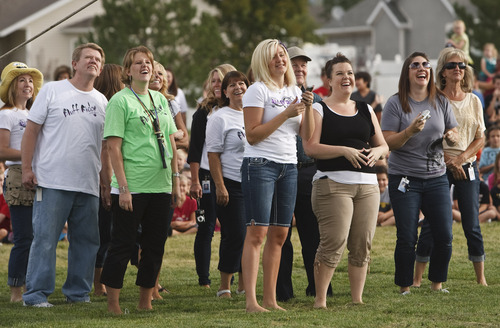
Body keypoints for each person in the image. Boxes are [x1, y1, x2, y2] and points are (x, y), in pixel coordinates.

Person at [21, 43, 109, 307]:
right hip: (51, 181)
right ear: (75, 63)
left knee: (86, 242)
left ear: (101, 68)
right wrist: (27, 168)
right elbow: (31, 131)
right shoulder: (52, 90)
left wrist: (105, 184)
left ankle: (78, 294)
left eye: (97, 59)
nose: (93, 62)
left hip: (88, 183)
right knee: (45, 240)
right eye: (88, 58)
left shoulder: (102, 101)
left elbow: (105, 147)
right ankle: (35, 295)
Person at [99, 46, 180, 314]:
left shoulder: (160, 99)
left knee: (155, 246)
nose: (145, 66)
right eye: (138, 63)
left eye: (148, 62)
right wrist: (122, 188)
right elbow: (113, 147)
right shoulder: (120, 101)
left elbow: (170, 139)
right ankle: (113, 304)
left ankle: (145, 300)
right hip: (131, 186)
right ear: (127, 71)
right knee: (122, 245)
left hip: (160, 185)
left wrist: (176, 180)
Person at [303, 53, 388, 308]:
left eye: (349, 73)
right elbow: (310, 147)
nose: (346, 77)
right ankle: (320, 300)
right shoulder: (320, 108)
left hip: (368, 186)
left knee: (362, 244)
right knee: (334, 242)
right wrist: (343, 150)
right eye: (339, 73)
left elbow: (383, 145)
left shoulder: (366, 109)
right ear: (329, 80)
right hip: (332, 183)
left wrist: (377, 152)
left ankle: (357, 299)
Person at [240, 39, 314, 312]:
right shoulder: (256, 91)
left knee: (280, 234)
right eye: (274, 56)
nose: (280, 60)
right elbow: (253, 134)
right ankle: (251, 301)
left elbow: (306, 137)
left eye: (282, 55)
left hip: (289, 166)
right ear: (263, 61)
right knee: (257, 233)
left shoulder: (295, 90)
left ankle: (270, 299)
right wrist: (286, 113)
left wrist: (307, 107)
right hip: (260, 164)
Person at [381, 51, 458, 295]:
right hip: (404, 178)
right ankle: (405, 286)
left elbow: (453, 130)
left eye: (425, 64)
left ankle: (437, 283)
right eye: (415, 65)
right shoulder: (396, 103)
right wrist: (409, 132)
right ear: (407, 73)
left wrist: (452, 136)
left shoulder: (441, 101)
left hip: (436, 177)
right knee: (406, 235)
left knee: (444, 233)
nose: (421, 68)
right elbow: (388, 142)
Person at [413, 47, 487, 288]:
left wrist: (462, 158)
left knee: (472, 224)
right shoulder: (433, 99)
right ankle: (417, 279)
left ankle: (481, 278)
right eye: (452, 65)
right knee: (433, 223)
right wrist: (448, 160)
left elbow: (480, 137)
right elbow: (425, 136)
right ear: (442, 72)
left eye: (462, 65)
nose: (458, 69)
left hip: (467, 165)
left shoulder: (474, 100)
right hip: (437, 166)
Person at [276, 46, 331, 302]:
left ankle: (319, 287)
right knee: (281, 235)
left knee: (313, 235)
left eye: (303, 65)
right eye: (294, 64)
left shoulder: (317, 101)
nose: (299, 69)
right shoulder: (275, 96)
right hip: (282, 172)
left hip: (310, 171)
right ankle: (282, 292)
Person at [188, 63, 236, 288]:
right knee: (205, 226)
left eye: (221, 80)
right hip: (207, 177)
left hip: (233, 176)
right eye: (214, 80)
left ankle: (231, 274)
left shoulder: (241, 110)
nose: (217, 84)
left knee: (232, 229)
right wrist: (195, 180)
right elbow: (195, 150)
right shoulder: (202, 113)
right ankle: (203, 279)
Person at [0, 62, 43, 302]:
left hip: (36, 177)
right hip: (17, 177)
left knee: (35, 238)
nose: (27, 85)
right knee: (24, 237)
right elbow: (2, 151)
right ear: (11, 87)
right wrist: (30, 154)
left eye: (30, 81)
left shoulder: (32, 115)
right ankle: (16, 291)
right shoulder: (6, 114)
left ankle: (28, 286)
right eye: (21, 80)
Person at [206, 70, 249, 298]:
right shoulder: (219, 117)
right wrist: (220, 186)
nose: (238, 87)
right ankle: (225, 285)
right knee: (235, 234)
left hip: (253, 183)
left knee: (251, 235)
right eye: (232, 85)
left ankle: (244, 285)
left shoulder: (255, 115)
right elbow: (213, 155)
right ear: (225, 92)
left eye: (242, 83)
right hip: (230, 184)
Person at [92, 63, 125, 297]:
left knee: (104, 234)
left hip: (103, 174)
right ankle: (97, 283)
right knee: (105, 233)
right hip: (105, 176)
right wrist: (108, 182)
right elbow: (107, 148)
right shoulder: (110, 107)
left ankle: (97, 281)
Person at [151, 62, 189, 149]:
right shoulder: (137, 103)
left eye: (160, 73)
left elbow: (185, 141)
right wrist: (173, 136)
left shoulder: (171, 103)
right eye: (153, 73)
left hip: (168, 161)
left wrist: (161, 146)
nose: (157, 76)